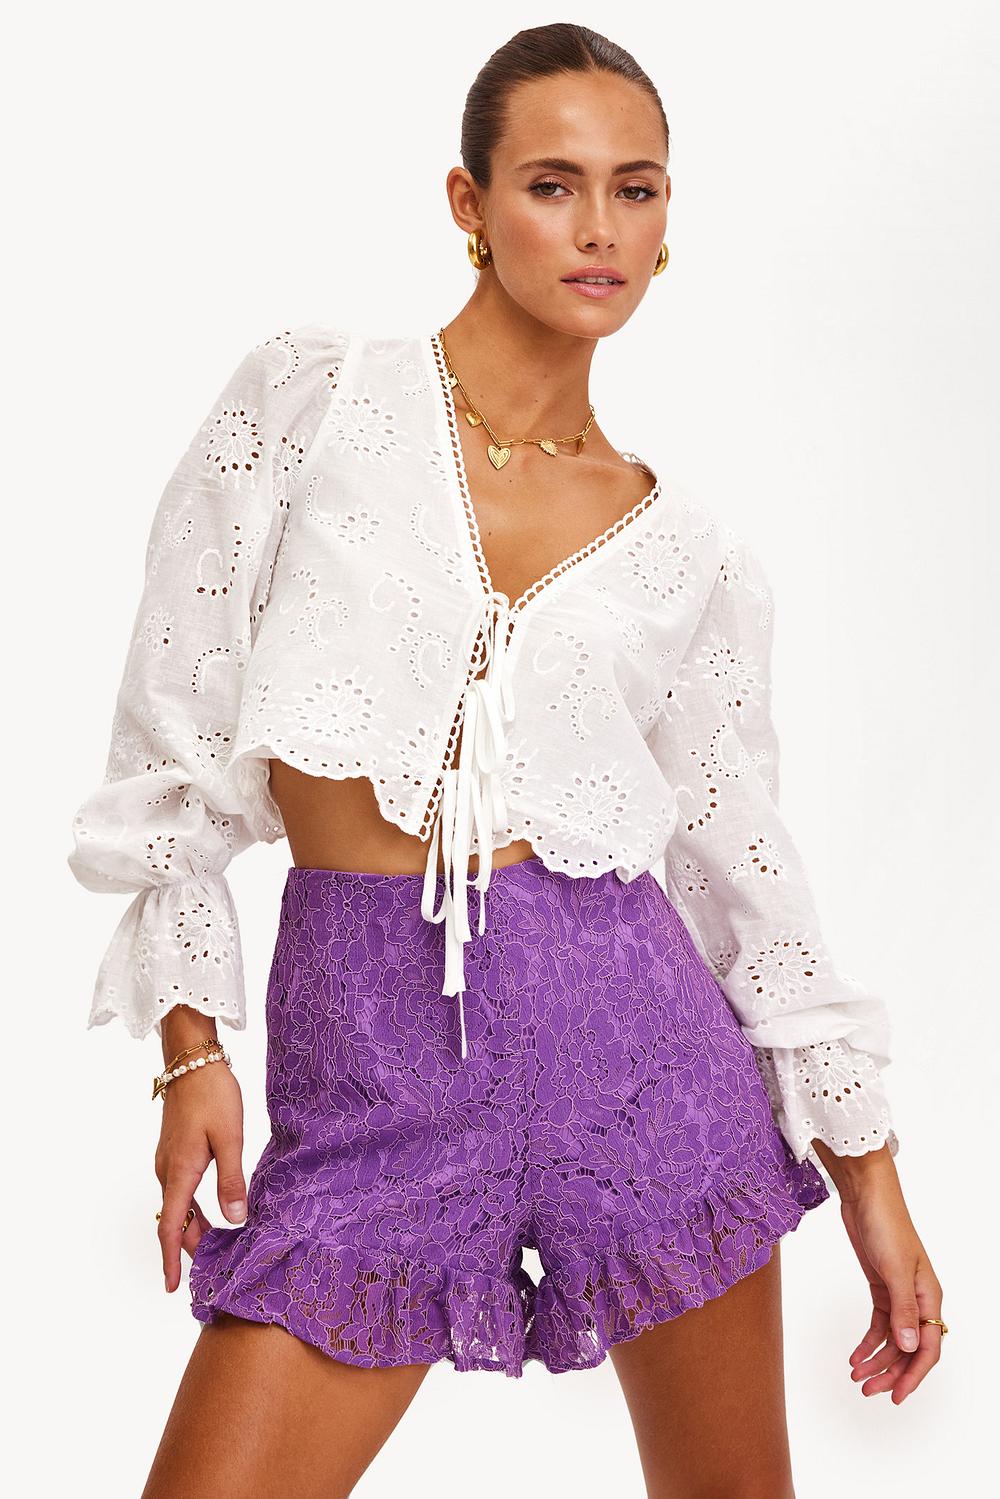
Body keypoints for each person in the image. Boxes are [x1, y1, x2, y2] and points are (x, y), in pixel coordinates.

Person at [67, 22, 946, 1499]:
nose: (599, 227)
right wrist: (191, 1047)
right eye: (553, 184)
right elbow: (172, 752)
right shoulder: (311, 403)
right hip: (370, 1083)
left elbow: (748, 880)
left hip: (645, 1068)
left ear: (666, 222)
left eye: (635, 189)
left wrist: (875, 1182)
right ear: (469, 203)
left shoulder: (689, 556)